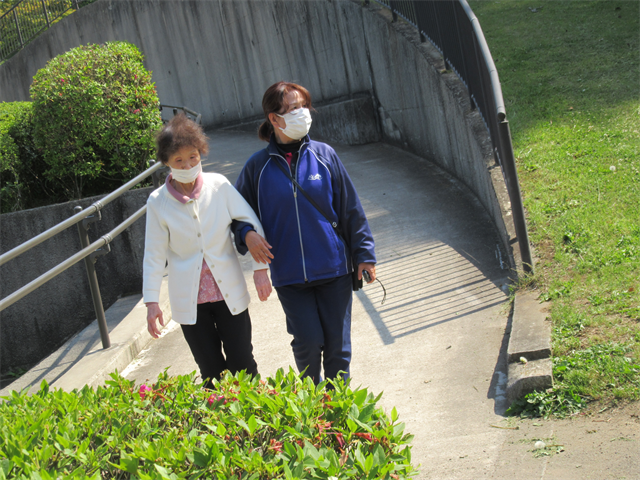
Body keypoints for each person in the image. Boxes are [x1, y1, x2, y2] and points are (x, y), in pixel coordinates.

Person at [233, 81, 376, 385]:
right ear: (274, 118)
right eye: (293, 108)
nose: (303, 112)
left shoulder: (325, 156)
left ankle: (337, 410)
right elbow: (234, 214)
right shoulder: (256, 168)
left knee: (338, 347)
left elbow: (351, 208)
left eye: (303, 105)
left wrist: (364, 255)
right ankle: (312, 405)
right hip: (290, 277)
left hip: (334, 269)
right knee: (308, 343)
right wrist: (247, 233)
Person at [143, 113, 273, 389]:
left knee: (243, 365)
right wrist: (151, 302)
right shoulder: (157, 202)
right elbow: (153, 255)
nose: (188, 165)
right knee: (210, 371)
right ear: (166, 162)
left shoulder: (219, 185)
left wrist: (261, 271)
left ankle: (252, 421)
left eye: (193, 157)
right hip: (190, 302)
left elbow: (251, 222)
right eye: (178, 160)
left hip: (229, 295)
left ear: (201, 153)